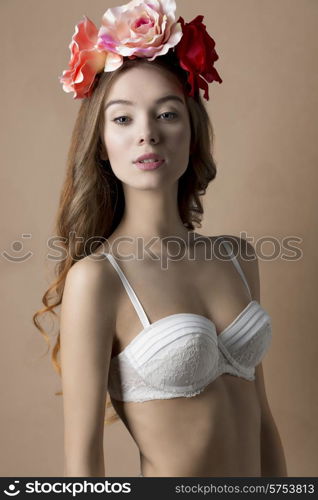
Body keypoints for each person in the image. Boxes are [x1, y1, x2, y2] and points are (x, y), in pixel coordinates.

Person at [33, 0, 288, 478]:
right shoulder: (98, 280)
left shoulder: (237, 257)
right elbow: (83, 458)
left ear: (192, 133)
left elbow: (263, 423)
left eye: (167, 114)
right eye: (123, 119)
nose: (147, 135)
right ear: (102, 146)